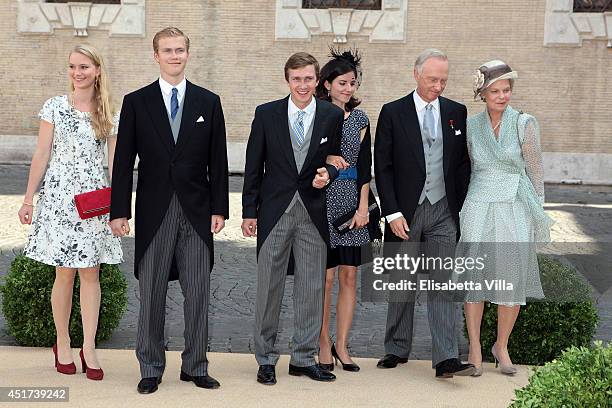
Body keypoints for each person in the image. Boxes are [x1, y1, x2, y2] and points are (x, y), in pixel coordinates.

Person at [109, 27, 229, 394]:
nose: (174, 56)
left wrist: (220, 208)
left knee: (198, 291)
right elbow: (124, 160)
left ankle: (195, 365)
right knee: (152, 293)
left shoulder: (208, 102)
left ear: (187, 54)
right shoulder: (136, 102)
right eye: (167, 50)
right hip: (152, 210)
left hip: (197, 210)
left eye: (180, 50)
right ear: (155, 55)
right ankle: (150, 366)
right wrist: (119, 211)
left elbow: (218, 161)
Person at [242, 52, 348, 385]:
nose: (302, 85)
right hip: (274, 212)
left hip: (313, 212)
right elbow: (253, 165)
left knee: (312, 287)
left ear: (318, 81)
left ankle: (303, 358)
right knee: (268, 287)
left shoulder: (332, 115)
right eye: (296, 79)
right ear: (287, 80)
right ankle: (265, 358)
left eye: (308, 79)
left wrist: (327, 174)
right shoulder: (266, 114)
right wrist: (248, 212)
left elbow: (336, 159)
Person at [18, 44, 122, 381]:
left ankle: (88, 347)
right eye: (73, 67)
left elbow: (115, 164)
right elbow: (41, 155)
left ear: (97, 70)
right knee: (64, 272)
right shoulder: (54, 107)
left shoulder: (108, 112)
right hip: (59, 201)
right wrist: (28, 198)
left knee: (91, 272)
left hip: (93, 204)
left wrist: (119, 209)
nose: (77, 73)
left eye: (84, 67)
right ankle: (62, 341)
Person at [373, 48, 475, 378]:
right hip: (406, 211)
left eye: (443, 80)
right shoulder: (392, 112)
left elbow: (461, 164)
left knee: (443, 282)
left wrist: (459, 207)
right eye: (433, 79)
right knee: (402, 282)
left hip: (444, 210)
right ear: (416, 74)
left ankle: (446, 356)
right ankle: (396, 347)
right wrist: (391, 213)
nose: (439, 86)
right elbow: (383, 167)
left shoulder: (456, 112)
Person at [459, 60, 553, 376]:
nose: (502, 96)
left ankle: (502, 346)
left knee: (510, 277)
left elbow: (535, 168)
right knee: (475, 278)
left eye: (506, 89)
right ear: (482, 93)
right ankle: (474, 348)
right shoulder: (471, 126)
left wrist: (538, 211)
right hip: (478, 204)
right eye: (495, 90)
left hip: (514, 204)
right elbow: (469, 166)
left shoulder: (524, 123)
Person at [315, 48, 373, 373]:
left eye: (352, 83)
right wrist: (325, 160)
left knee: (350, 276)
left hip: (354, 202)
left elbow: (365, 166)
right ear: (327, 84)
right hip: (324, 201)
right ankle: (322, 342)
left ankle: (343, 344)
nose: (348, 89)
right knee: (325, 278)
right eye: (342, 83)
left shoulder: (362, 119)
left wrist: (364, 207)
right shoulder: (317, 114)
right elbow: (307, 156)